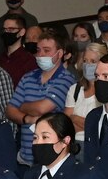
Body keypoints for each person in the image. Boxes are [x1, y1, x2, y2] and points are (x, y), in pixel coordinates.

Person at [5, 30, 74, 167]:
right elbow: (10, 110)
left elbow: (43, 108)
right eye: (38, 50)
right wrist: (27, 119)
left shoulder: (67, 79)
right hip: (25, 157)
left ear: (59, 54)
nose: (40, 55)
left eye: (47, 50)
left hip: (51, 159)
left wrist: (22, 106)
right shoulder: (27, 77)